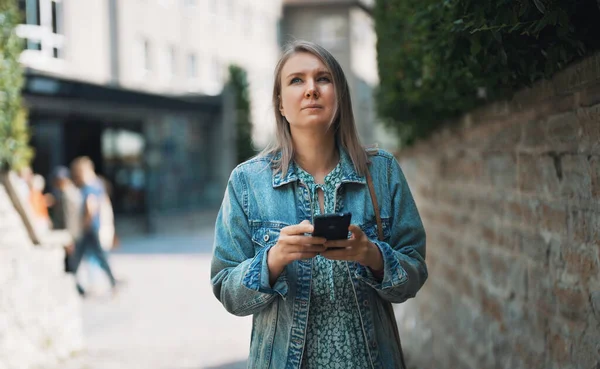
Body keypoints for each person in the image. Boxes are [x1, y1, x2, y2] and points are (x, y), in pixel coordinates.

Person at [210, 41, 428, 369]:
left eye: (323, 78)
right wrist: (272, 260)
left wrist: (373, 256)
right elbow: (226, 288)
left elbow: (414, 272)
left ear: (339, 95)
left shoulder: (381, 171)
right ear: (280, 104)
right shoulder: (247, 182)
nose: (311, 89)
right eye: (296, 80)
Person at [69, 156, 118, 296]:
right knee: (97, 257)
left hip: (89, 228)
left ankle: (76, 284)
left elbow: (91, 207)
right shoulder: (98, 184)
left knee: (80, 257)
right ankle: (110, 282)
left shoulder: (89, 187)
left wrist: (84, 224)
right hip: (95, 226)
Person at [49, 166, 83, 272]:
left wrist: (69, 239)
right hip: (74, 234)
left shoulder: (67, 194)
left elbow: (70, 218)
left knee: (71, 266)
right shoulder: (72, 191)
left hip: (70, 235)